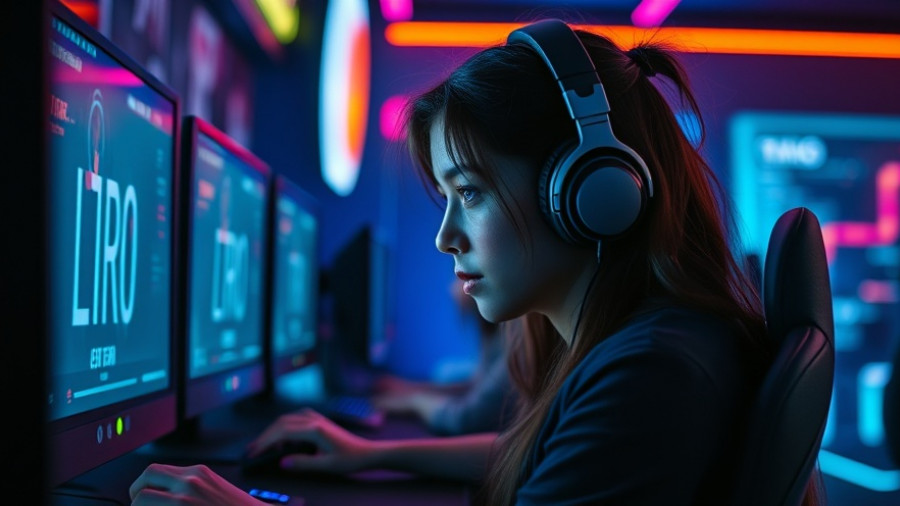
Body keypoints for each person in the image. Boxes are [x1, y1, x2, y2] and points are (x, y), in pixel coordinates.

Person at [130, 18, 825, 505]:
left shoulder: (653, 373)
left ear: (587, 194)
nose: (446, 236)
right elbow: (549, 462)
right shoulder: (639, 345)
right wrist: (376, 454)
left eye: (470, 192)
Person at [372, 278, 518, 435]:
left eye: (464, 278)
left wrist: (415, 402)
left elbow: (466, 418)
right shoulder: (499, 333)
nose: (452, 288)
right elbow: (478, 385)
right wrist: (409, 388)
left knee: (444, 372)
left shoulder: (516, 338)